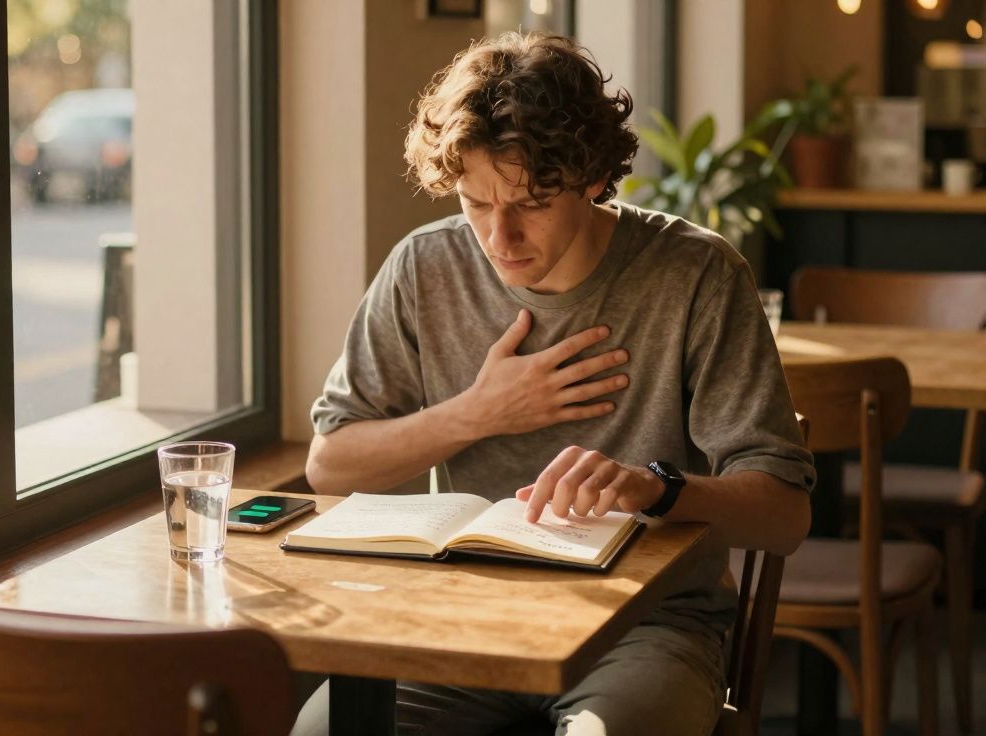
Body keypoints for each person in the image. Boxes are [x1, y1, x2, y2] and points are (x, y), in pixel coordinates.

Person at [298, 32, 815, 736]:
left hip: (646, 628)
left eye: (532, 203)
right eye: (476, 204)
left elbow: (785, 515)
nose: (499, 238)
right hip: (465, 625)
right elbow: (329, 466)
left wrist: (657, 488)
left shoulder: (696, 275)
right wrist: (477, 414)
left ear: (594, 177)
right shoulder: (424, 268)